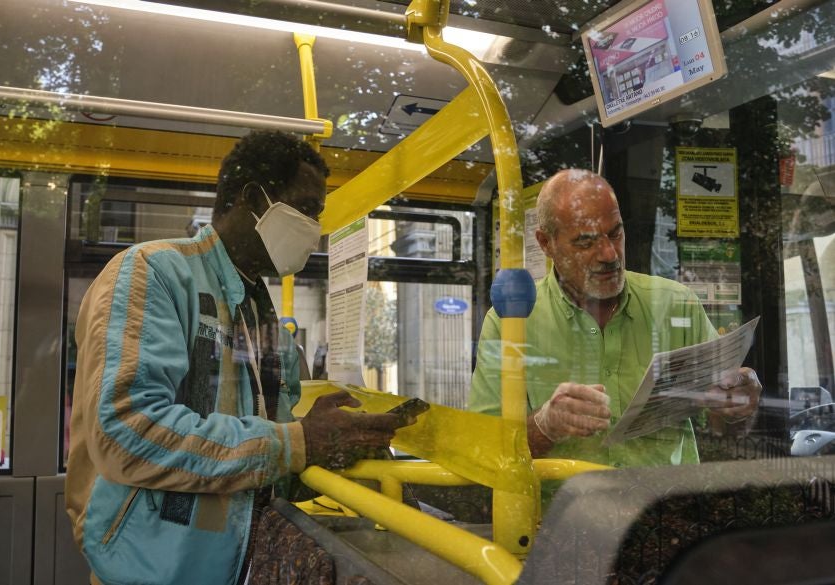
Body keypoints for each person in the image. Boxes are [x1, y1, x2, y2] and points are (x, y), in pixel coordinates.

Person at [65, 130, 404, 585]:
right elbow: (127, 431)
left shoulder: (264, 316)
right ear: (252, 198)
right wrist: (297, 443)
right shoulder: (154, 273)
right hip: (147, 568)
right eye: (304, 209)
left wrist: (326, 445)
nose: (313, 228)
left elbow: (265, 462)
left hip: (235, 565)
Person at [469, 169, 761, 481]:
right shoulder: (511, 322)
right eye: (586, 241)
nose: (609, 254)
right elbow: (483, 453)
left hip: (663, 511)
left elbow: (722, 427)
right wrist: (544, 426)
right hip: (560, 518)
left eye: (616, 233)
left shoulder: (677, 304)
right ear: (546, 243)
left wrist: (737, 405)